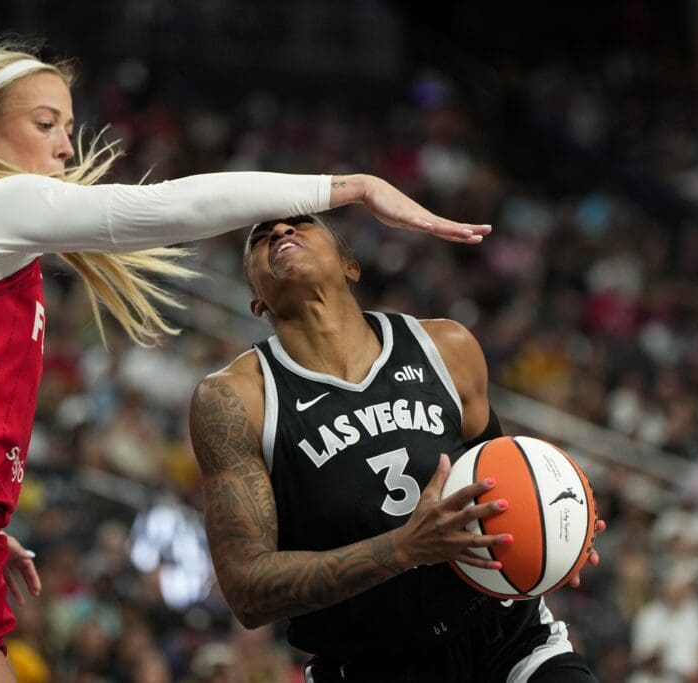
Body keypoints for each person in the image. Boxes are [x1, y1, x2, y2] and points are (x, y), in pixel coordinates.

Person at [0, 37, 489, 683]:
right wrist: (347, 187)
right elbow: (161, 207)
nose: (66, 144)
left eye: (69, 126)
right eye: (46, 122)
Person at [188, 215, 603, 682]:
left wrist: (555, 534)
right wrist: (403, 548)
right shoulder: (236, 399)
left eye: (299, 224)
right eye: (261, 239)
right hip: (370, 666)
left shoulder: (446, 347)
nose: (280, 233)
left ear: (351, 266)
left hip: (508, 641)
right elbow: (247, 591)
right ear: (255, 299)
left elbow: (500, 482)